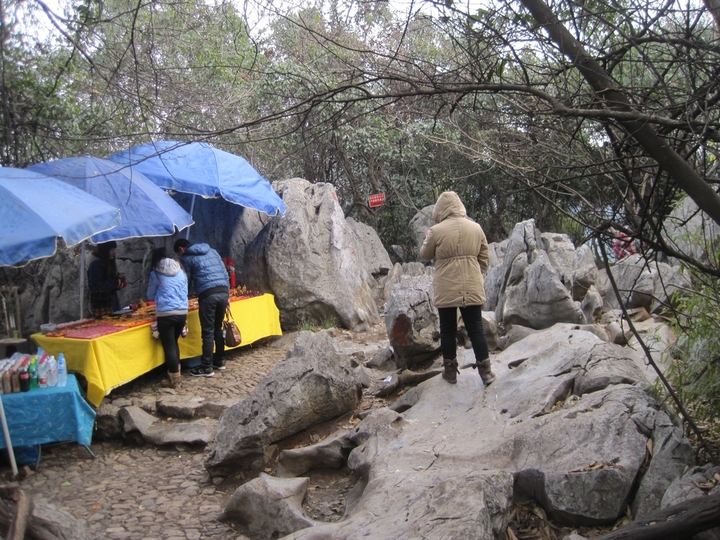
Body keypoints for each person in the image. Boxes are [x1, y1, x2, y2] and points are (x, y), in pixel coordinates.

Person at [419, 191, 496, 386]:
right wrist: (478, 274)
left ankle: (450, 372)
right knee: (476, 329)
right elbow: (484, 256)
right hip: (472, 284)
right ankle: (486, 373)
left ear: (441, 209)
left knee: (447, 330)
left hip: (446, 285)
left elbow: (425, 255)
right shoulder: (476, 228)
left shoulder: (437, 230)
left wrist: (427, 238)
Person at [174, 238, 230, 377]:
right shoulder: (213, 251)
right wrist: (226, 293)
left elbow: (186, 280)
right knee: (218, 328)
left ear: (181, 250)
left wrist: (184, 298)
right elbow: (224, 272)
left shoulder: (187, 257)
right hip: (223, 291)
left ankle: (206, 367)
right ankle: (220, 360)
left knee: (208, 331)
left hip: (208, 295)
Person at [147, 247, 188, 388]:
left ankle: (174, 378)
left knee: (169, 345)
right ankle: (177, 373)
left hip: (166, 313)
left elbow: (150, 295)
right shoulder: (181, 271)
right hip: (182, 312)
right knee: (174, 342)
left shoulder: (156, 273)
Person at [87, 241, 126, 318]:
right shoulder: (96, 264)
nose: (113, 253)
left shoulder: (107, 262)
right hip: (101, 307)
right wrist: (115, 283)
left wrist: (118, 282)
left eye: (114, 250)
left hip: (112, 302)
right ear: (105, 250)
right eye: (111, 250)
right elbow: (97, 287)